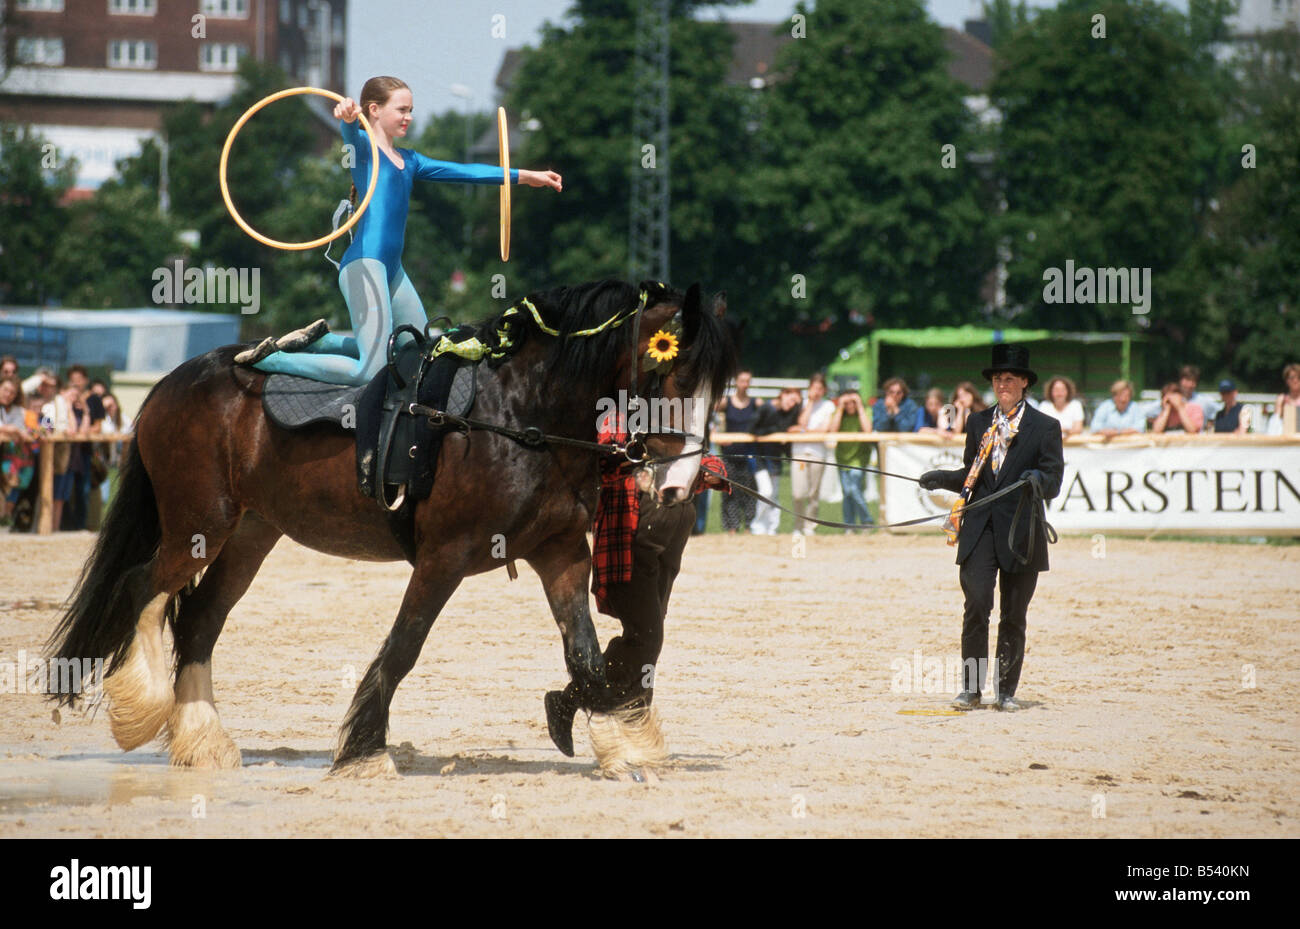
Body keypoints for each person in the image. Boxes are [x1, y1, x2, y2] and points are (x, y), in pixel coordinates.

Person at [238, 76, 563, 385]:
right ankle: (272, 359)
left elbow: (465, 171)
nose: (408, 117)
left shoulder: (410, 160)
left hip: (392, 270)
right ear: (375, 110)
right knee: (369, 370)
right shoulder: (364, 151)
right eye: (402, 110)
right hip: (364, 265)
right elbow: (349, 130)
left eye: (411, 110)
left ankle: (324, 343)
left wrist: (525, 175)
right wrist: (348, 116)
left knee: (420, 352)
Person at [543, 407, 728, 756]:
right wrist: (644, 470)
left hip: (669, 543)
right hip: (630, 539)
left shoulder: (669, 415)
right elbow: (606, 469)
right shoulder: (615, 414)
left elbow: (694, 460)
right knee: (648, 637)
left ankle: (598, 708)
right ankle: (604, 710)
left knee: (645, 640)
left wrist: (709, 472)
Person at [919, 344, 1064, 712]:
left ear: (1025, 383)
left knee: (1014, 615)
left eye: (1010, 378)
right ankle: (970, 689)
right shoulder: (979, 423)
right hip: (980, 529)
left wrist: (1036, 479)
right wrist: (941, 479)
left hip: (1021, 533)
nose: (1002, 384)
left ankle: (1006, 691)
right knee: (977, 604)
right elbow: (973, 475)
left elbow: (1053, 481)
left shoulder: (1046, 427)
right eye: (998, 378)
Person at [751, 387, 801, 535]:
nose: (792, 405)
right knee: (766, 492)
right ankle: (758, 526)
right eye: (791, 400)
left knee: (774, 494)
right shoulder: (766, 408)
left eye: (795, 403)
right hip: (759, 457)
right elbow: (752, 429)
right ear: (783, 395)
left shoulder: (789, 413)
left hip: (775, 458)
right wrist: (774, 431)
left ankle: (772, 528)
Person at [789, 373, 835, 534]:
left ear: (824, 390)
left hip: (817, 454)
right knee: (798, 493)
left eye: (820, 389)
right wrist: (809, 404)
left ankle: (810, 526)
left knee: (813, 493)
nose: (816, 392)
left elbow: (824, 429)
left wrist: (804, 431)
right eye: (814, 388)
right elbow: (801, 422)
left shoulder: (828, 406)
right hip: (800, 454)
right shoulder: (802, 404)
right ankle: (798, 525)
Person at [718, 370, 759, 533]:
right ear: (736, 382)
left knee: (749, 492)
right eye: (742, 381)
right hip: (729, 454)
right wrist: (719, 435)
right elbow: (710, 418)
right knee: (729, 491)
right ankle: (732, 528)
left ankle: (749, 526)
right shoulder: (725, 402)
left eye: (748, 381)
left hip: (749, 454)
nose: (745, 384)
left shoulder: (756, 403)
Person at [828, 390, 873, 529]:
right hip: (842, 459)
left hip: (859, 459)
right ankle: (849, 525)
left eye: (852, 402)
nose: (850, 405)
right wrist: (840, 408)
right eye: (847, 403)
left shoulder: (865, 412)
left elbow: (868, 430)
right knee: (847, 493)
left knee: (853, 489)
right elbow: (832, 431)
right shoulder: (838, 414)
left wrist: (859, 406)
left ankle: (867, 521)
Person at [1273, 363, 1300, 434]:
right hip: (1286, 438)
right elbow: (1275, 424)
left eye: (1298, 377)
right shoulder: (1281, 399)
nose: (1295, 380)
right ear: (1287, 380)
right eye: (1292, 378)